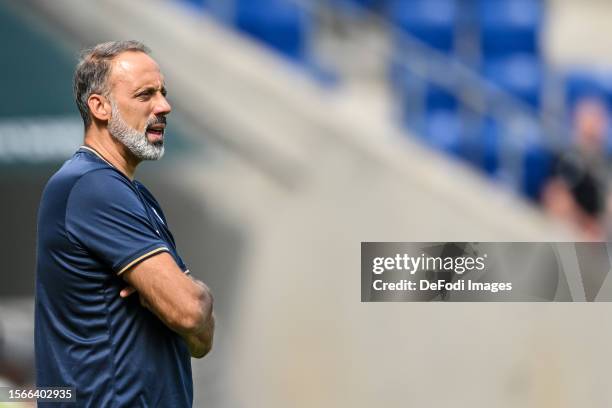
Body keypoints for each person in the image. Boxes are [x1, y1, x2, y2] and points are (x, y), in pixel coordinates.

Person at [35, 41, 214, 407]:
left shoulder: (134, 194)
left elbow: (200, 340)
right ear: (99, 107)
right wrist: (192, 295)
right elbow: (189, 311)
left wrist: (190, 296)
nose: (164, 106)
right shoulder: (91, 186)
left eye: (163, 92)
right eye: (145, 94)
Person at [541, 97, 610, 240]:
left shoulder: (605, 165)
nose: (593, 126)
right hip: (567, 232)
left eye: (598, 121)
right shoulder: (567, 156)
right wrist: (585, 224)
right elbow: (557, 200)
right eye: (589, 119)